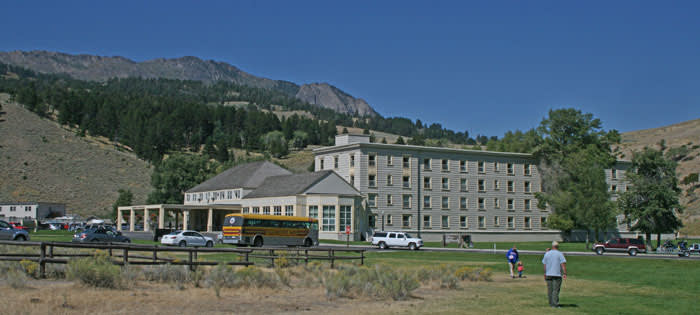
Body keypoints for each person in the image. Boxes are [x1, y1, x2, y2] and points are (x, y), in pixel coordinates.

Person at [542, 241, 567, 308]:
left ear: (552, 246)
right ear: (557, 246)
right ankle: (555, 304)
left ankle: (551, 303)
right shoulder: (560, 254)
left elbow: (544, 264)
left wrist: (545, 273)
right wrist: (564, 273)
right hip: (557, 274)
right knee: (556, 290)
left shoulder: (547, 254)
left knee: (550, 289)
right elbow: (563, 264)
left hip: (548, 274)